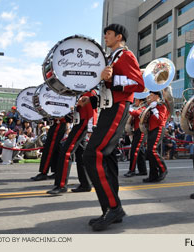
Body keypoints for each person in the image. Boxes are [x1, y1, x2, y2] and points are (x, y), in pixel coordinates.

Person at [79, 23, 144, 231]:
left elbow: (138, 83)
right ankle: (111, 208)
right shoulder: (111, 58)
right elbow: (106, 86)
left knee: (92, 154)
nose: (105, 36)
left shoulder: (126, 55)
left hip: (118, 106)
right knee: (106, 157)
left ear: (119, 36)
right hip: (109, 106)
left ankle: (113, 207)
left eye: (108, 33)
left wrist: (112, 79)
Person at [46, 91, 98, 194]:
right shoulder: (81, 92)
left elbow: (93, 111)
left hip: (83, 123)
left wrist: (91, 128)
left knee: (66, 152)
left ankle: (61, 185)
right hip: (80, 122)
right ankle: (86, 183)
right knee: (81, 154)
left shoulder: (89, 91)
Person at [143, 91, 169, 183]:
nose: (149, 97)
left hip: (158, 129)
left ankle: (163, 169)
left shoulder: (161, 106)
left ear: (157, 96)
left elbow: (160, 119)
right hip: (151, 129)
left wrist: (154, 109)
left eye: (151, 95)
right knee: (149, 153)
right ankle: (153, 175)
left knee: (152, 150)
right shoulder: (151, 106)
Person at [124, 97, 147, 177]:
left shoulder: (144, 108)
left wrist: (128, 107)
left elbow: (136, 113)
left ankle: (132, 170)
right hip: (137, 131)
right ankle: (143, 170)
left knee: (135, 151)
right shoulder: (140, 108)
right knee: (140, 152)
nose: (135, 102)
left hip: (140, 132)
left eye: (136, 100)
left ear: (141, 101)